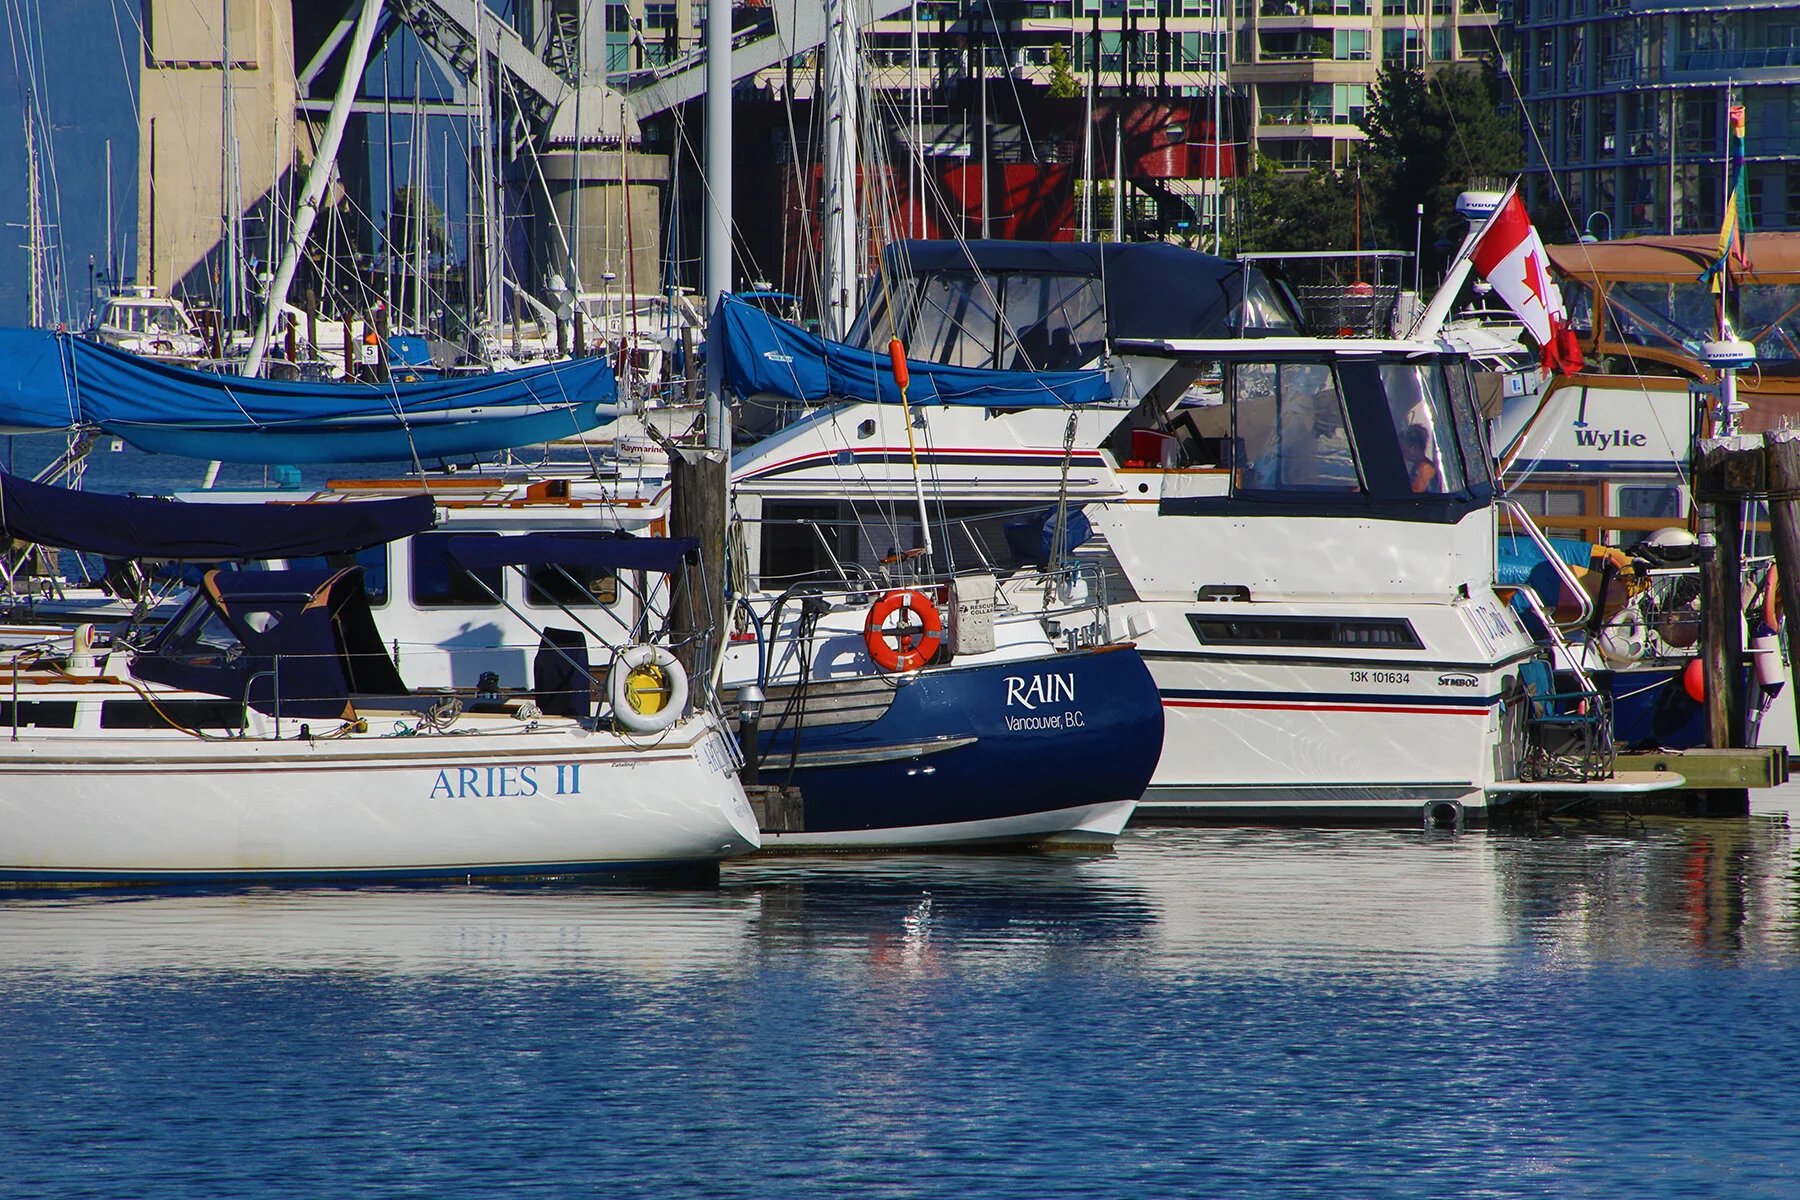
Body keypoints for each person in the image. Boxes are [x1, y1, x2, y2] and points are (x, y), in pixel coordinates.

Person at [1401, 424, 1438, 494]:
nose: (1402, 454)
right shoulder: (1415, 469)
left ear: (1415, 448)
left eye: (1404, 450)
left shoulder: (1427, 470)